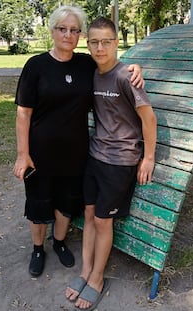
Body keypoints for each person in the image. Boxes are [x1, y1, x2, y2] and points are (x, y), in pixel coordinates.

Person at [13, 6, 144, 278]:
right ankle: (38, 248)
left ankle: (59, 242)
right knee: (39, 202)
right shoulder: (36, 66)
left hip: (77, 153)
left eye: (74, 30)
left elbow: (111, 63)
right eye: (63, 29)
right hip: (40, 153)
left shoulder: (85, 64)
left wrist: (136, 66)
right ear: (52, 31)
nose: (68, 35)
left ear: (79, 35)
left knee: (67, 203)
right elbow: (23, 113)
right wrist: (22, 154)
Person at [66, 17, 157, 310]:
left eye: (106, 41)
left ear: (117, 43)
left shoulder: (125, 76)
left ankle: (97, 278)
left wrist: (149, 157)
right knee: (90, 214)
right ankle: (85, 271)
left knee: (104, 220)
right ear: (87, 43)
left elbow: (148, 118)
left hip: (120, 161)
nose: (100, 47)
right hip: (95, 156)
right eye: (94, 42)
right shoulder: (92, 72)